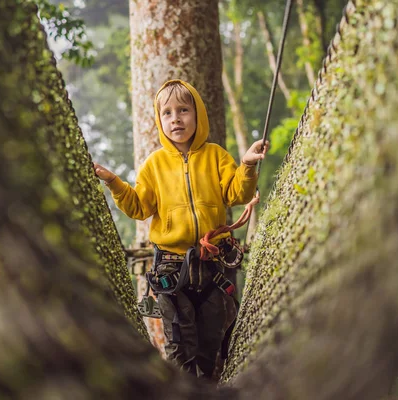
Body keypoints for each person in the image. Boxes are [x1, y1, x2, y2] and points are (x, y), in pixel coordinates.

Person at [94, 79, 268, 379]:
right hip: (173, 272)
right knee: (179, 346)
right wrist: (114, 183)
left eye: (184, 110)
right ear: (160, 120)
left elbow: (236, 194)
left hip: (214, 266)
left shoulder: (216, 156)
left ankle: (210, 388)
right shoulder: (154, 166)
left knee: (211, 343)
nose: (176, 118)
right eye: (168, 113)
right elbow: (139, 207)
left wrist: (247, 165)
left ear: (197, 114)